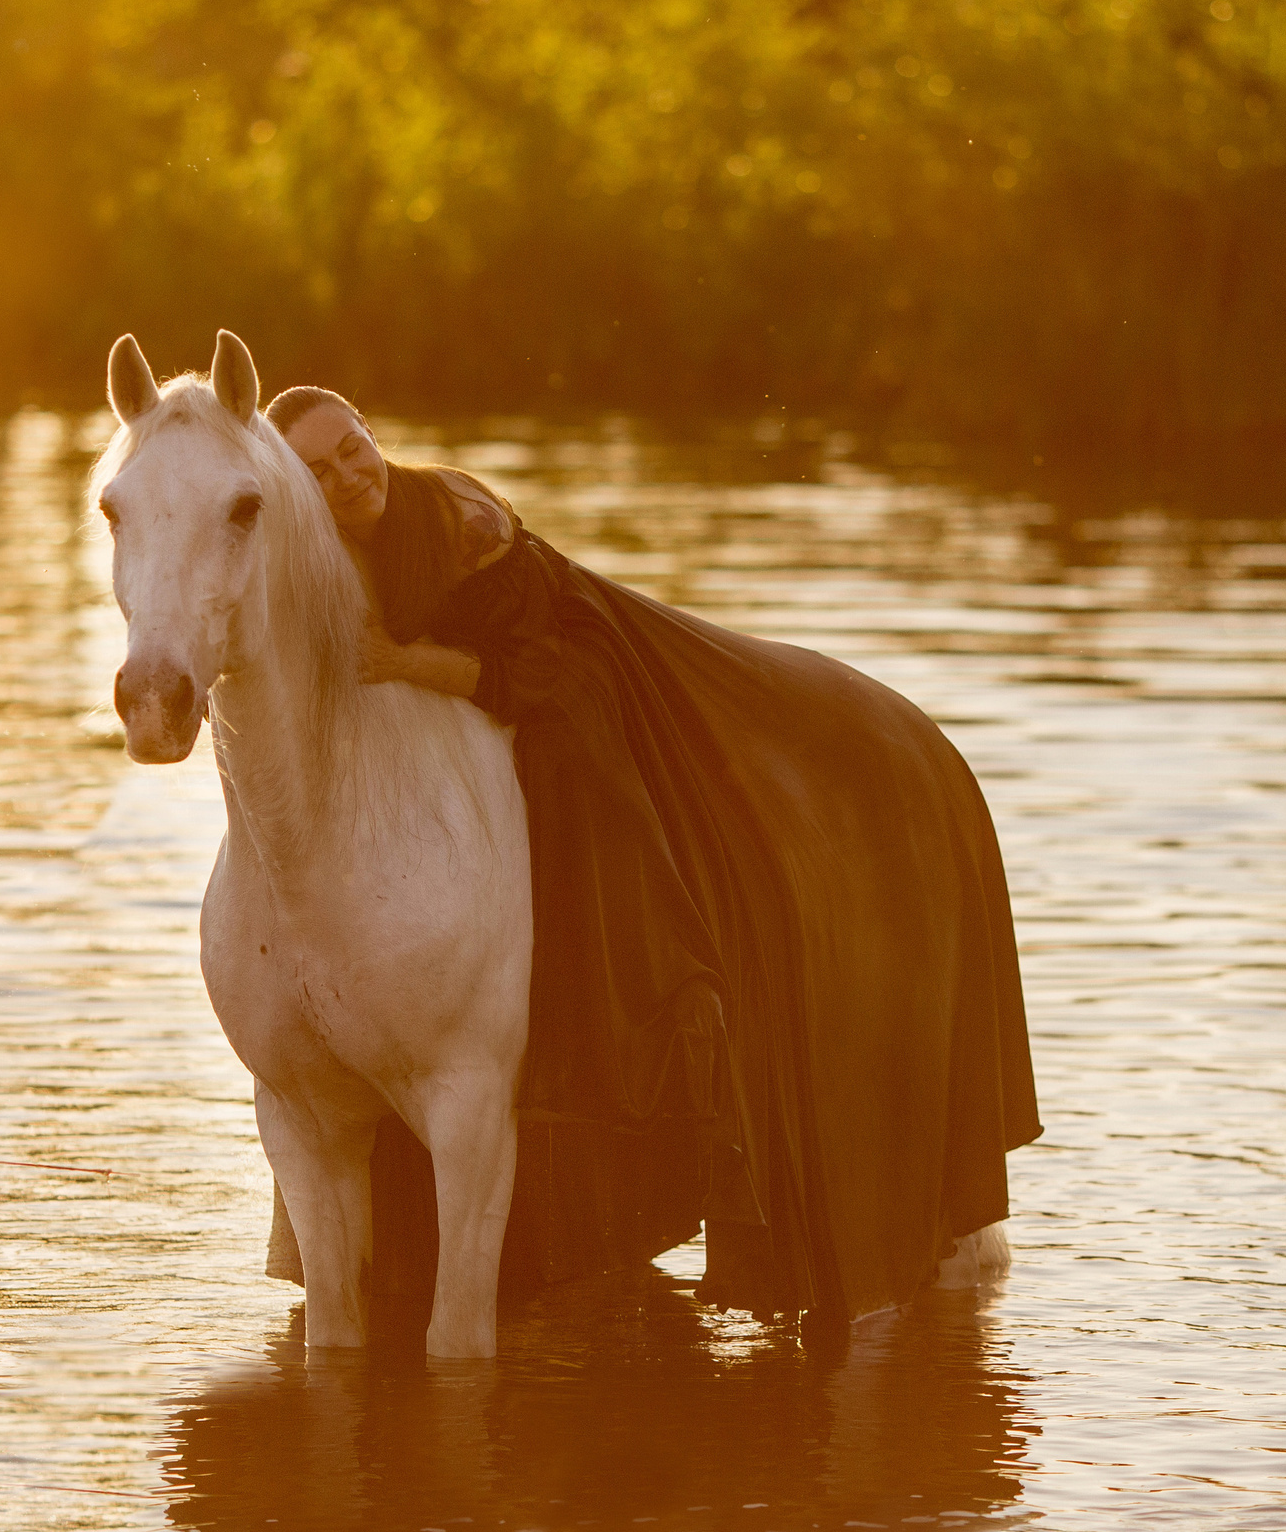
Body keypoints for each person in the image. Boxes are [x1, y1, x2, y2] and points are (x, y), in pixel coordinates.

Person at [268, 385, 1040, 1320]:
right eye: (320, 468)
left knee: (656, 896)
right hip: (481, 731)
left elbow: (545, 675)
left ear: (370, 435)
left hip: (587, 689)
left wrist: (402, 665)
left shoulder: (460, 520)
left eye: (354, 447)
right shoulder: (315, 552)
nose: (350, 474)